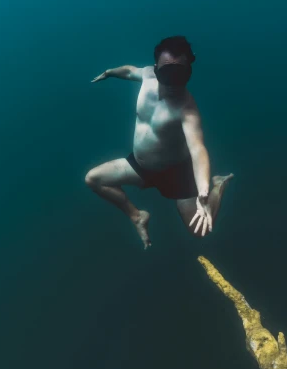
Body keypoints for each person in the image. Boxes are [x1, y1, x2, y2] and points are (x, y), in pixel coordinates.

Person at [85, 35, 233, 249]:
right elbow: (128, 70)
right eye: (166, 73)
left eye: (180, 74)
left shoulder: (186, 110)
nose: (173, 81)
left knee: (200, 232)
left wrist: (203, 189)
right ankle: (137, 216)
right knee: (94, 179)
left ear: (189, 70)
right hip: (141, 166)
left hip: (176, 174)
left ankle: (218, 186)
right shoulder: (147, 76)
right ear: (155, 69)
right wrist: (110, 73)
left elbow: (198, 148)